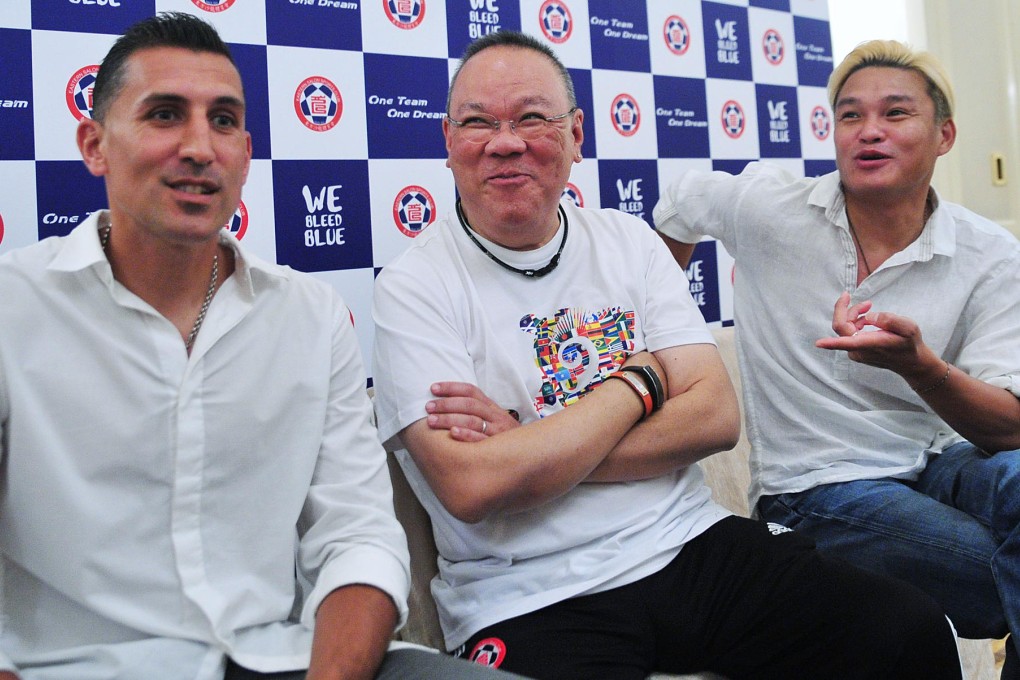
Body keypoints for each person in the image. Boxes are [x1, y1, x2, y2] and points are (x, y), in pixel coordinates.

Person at [372, 30, 962, 680]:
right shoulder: (412, 286)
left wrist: (531, 448)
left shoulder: (628, 241)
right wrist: (642, 383)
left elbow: (714, 417)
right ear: (449, 142)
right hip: (527, 596)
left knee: (908, 629)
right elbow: (472, 484)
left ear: (576, 135)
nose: (505, 141)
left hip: (690, 544)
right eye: (478, 122)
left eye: (532, 118)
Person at [0, 12, 522, 680]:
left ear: (246, 152)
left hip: (286, 661)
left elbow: (359, 538)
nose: (198, 146)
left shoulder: (310, 316)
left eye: (222, 120)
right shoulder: (15, 308)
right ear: (95, 144)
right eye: (164, 114)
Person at [654, 39, 1020, 678]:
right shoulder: (773, 209)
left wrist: (920, 367)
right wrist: (665, 335)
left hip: (938, 459)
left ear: (944, 135)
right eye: (850, 115)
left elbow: (1008, 428)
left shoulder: (988, 253)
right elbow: (680, 204)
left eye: (896, 113)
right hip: (816, 485)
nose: (868, 131)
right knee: (996, 572)